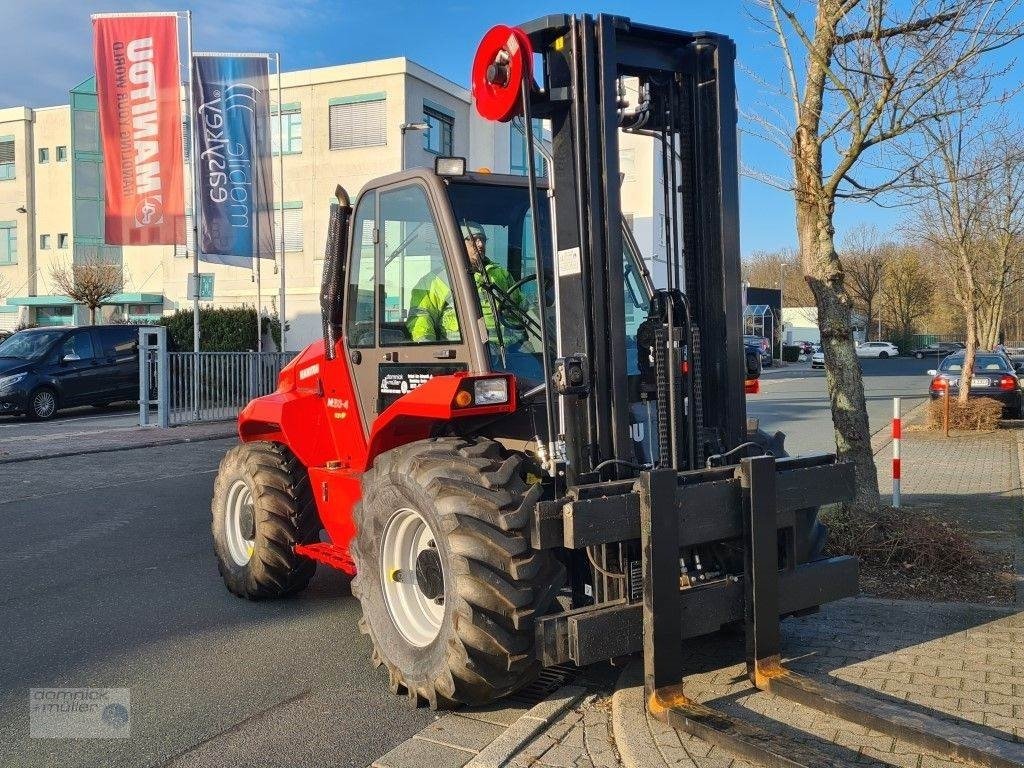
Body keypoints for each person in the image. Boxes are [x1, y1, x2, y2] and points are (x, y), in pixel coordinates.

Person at [407, 223, 526, 343]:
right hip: (466, 354)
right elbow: (421, 316)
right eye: (473, 239)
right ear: (458, 244)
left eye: (483, 239)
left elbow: (524, 306)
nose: (480, 244)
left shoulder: (501, 275)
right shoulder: (435, 280)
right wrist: (428, 347)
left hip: (512, 352)